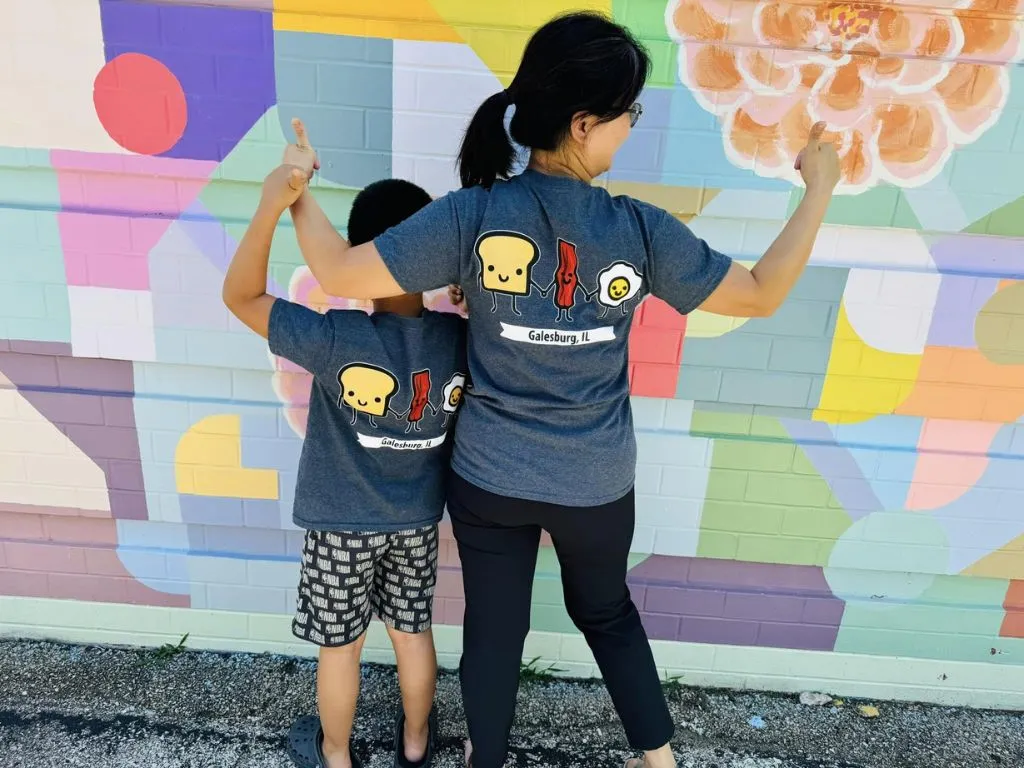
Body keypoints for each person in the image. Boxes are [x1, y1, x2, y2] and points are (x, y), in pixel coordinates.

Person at [270, 11, 840, 767]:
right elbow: (763, 292)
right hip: (596, 483)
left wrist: (300, 192)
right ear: (582, 123)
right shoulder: (638, 228)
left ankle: (486, 759)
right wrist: (820, 189)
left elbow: (342, 275)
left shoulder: (473, 215)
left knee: (495, 632)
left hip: (490, 479)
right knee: (607, 614)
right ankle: (659, 761)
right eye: (627, 114)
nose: (631, 128)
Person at [222, 170, 469, 768]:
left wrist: (276, 204)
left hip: (338, 528)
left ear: (355, 256)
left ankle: (336, 756)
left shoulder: (335, 338)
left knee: (341, 649)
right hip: (414, 523)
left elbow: (242, 296)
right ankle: (414, 744)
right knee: (413, 634)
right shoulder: (460, 341)